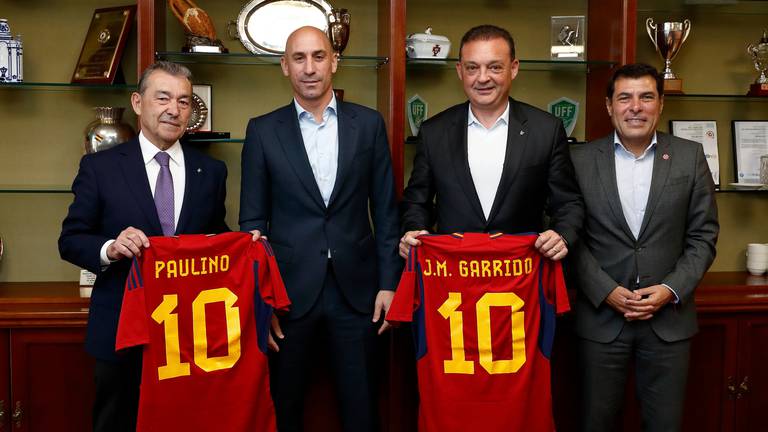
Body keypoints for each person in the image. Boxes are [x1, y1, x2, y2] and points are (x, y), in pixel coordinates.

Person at [239, 26, 400, 432]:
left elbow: (385, 212)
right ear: (284, 66)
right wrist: (263, 299)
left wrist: (388, 284)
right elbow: (252, 225)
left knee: (362, 409)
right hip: (288, 298)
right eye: (298, 58)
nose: (309, 68)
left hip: (359, 294)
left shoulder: (368, 124)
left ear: (334, 62)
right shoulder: (262, 131)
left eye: (317, 56)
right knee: (285, 407)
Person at [58, 61, 229, 432]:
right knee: (116, 422)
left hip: (190, 334)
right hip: (121, 327)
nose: (174, 109)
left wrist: (244, 245)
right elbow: (71, 239)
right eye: (163, 97)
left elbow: (216, 239)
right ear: (138, 103)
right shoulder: (99, 168)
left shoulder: (211, 172)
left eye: (184, 101)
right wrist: (111, 247)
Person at [569, 63, 719, 431]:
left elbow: (704, 236)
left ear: (661, 104)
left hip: (668, 322)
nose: (635, 106)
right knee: (596, 422)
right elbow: (568, 238)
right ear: (609, 105)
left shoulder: (690, 156)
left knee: (665, 424)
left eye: (646, 97)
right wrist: (606, 291)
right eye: (625, 97)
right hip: (601, 319)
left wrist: (670, 290)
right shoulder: (579, 161)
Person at [399, 24, 583, 259]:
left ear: (513, 68)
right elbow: (416, 202)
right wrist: (415, 230)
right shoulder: (434, 132)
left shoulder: (546, 129)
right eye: (472, 68)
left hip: (522, 274)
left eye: (494, 67)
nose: (483, 78)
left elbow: (568, 203)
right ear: (459, 71)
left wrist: (562, 235)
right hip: (454, 274)